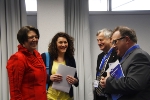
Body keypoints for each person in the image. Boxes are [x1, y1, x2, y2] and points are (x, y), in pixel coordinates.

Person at [100, 26, 150, 100]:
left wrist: (108, 81)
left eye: (115, 42)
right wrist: (105, 83)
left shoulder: (139, 56)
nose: (113, 46)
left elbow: (134, 84)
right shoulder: (124, 57)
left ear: (126, 40)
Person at [6, 26, 47, 100]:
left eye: (36, 37)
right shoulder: (17, 58)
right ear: (23, 40)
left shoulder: (37, 55)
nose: (35, 39)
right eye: (31, 37)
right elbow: (15, 90)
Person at [41, 32, 79, 100]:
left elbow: (76, 80)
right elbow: (38, 77)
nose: (63, 44)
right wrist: (49, 78)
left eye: (65, 42)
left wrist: (74, 80)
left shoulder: (70, 58)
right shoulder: (45, 57)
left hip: (67, 98)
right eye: (60, 42)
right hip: (50, 97)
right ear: (55, 44)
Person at [94, 28, 119, 100]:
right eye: (97, 40)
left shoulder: (117, 54)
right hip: (99, 94)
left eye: (101, 40)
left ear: (110, 39)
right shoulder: (100, 56)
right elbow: (98, 73)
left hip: (111, 95)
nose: (99, 43)